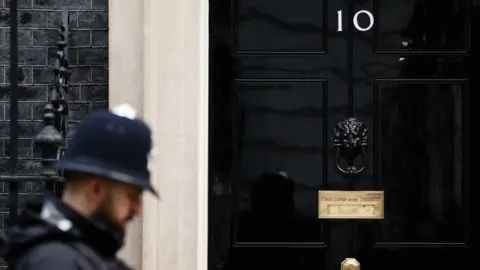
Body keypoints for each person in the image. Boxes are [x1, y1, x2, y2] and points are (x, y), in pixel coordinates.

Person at [0, 104, 158, 270]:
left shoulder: (87, 256)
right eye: (132, 196)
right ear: (96, 188)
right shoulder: (55, 262)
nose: (137, 209)